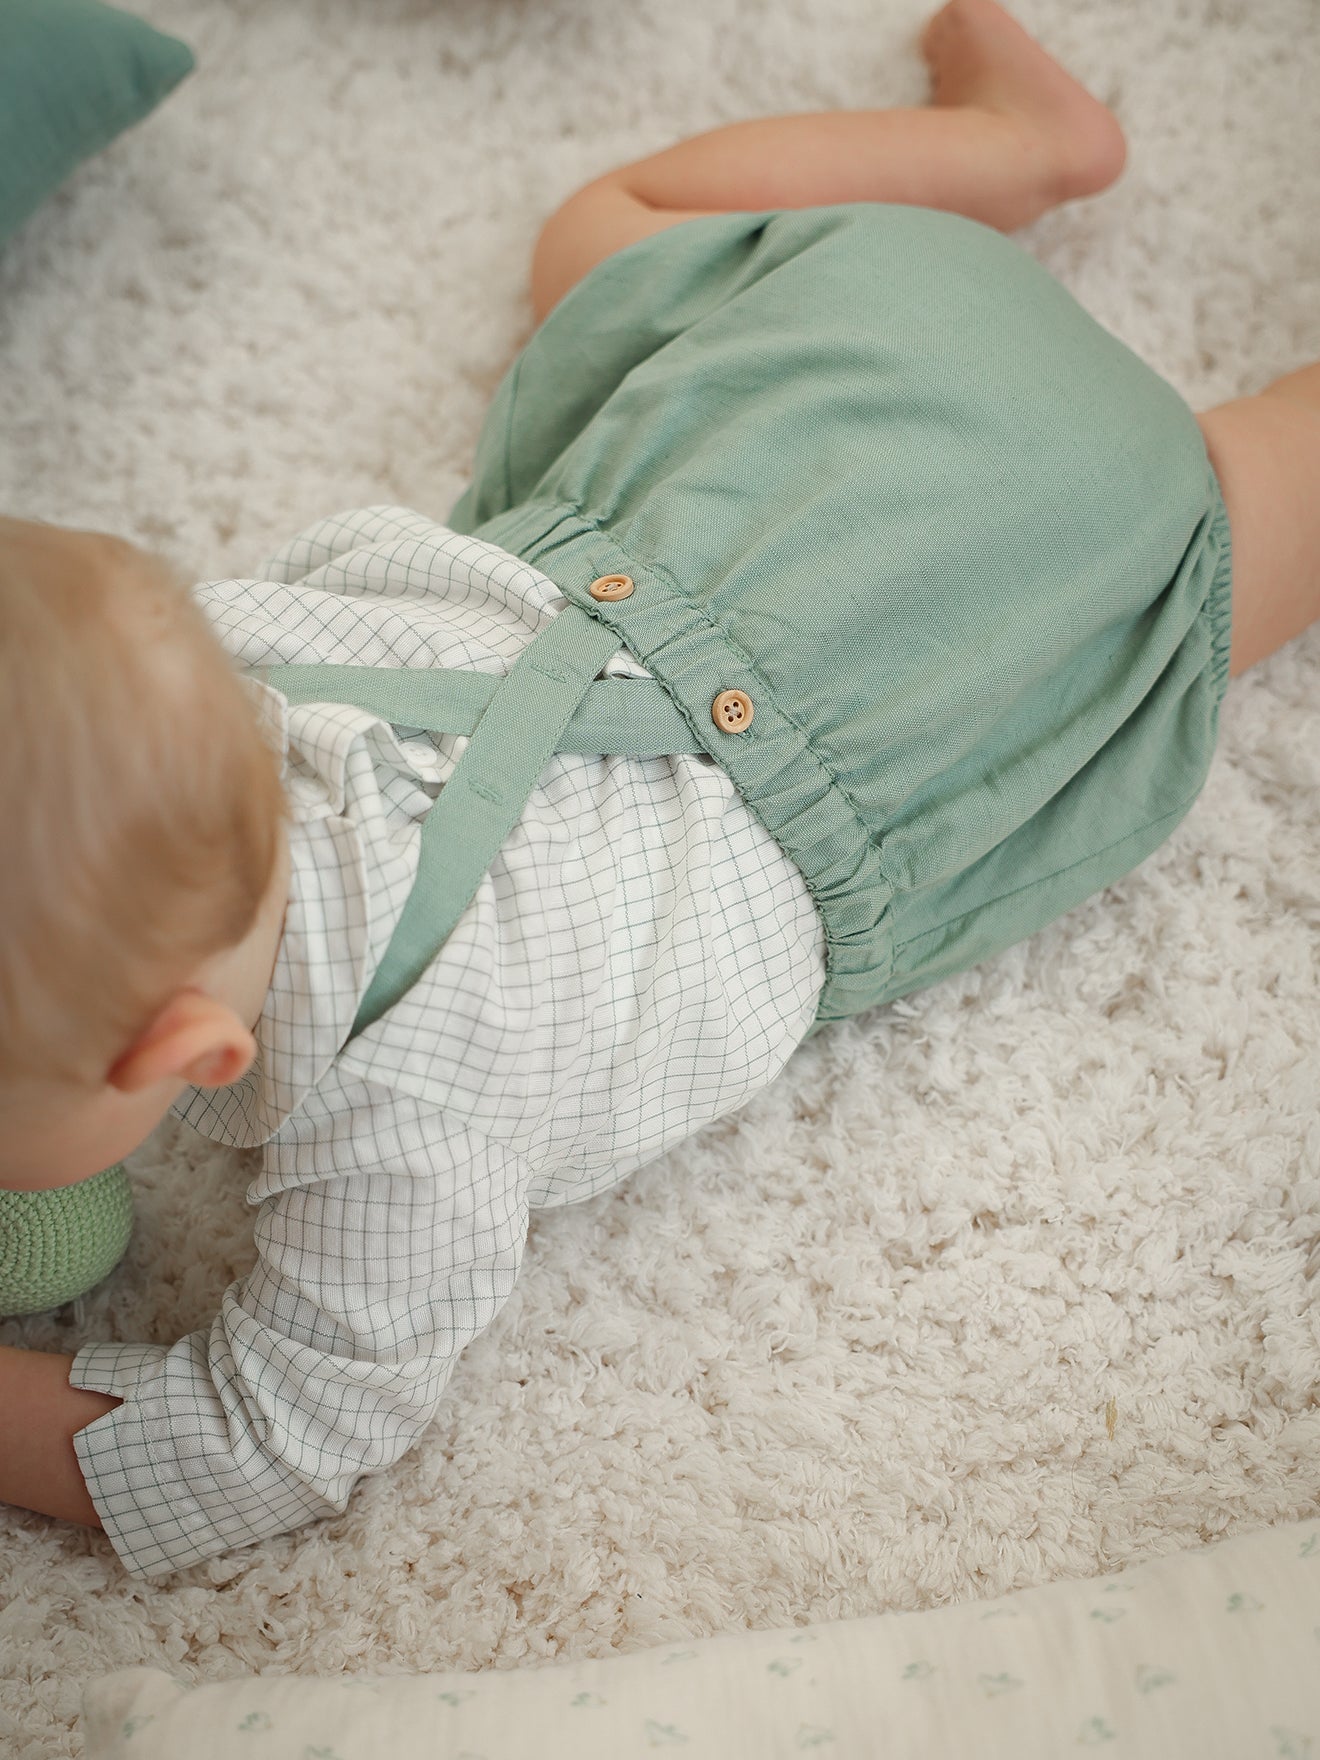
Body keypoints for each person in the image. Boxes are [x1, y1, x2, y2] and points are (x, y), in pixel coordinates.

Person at [1, 0, 1316, 1578]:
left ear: (188, 1051)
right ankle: (1015, 154)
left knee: (1219, 536)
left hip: (985, 610)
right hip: (813, 389)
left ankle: (1063, 205)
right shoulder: (218, 641)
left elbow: (261, 1439)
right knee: (597, 232)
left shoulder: (402, 1116)